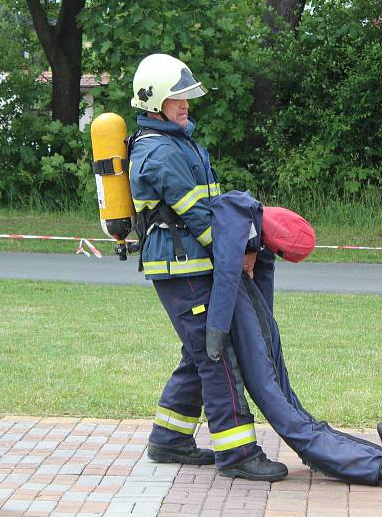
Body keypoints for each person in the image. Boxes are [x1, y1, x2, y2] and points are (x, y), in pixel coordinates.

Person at [127, 53, 288, 481]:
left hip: (191, 265)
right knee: (217, 355)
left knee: (198, 351)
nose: (185, 105)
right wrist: (238, 254)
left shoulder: (180, 143)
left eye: (185, 98)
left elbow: (213, 209)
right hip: (181, 267)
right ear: (153, 101)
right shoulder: (161, 151)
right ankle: (237, 454)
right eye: (176, 98)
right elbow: (200, 218)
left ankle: (170, 438)